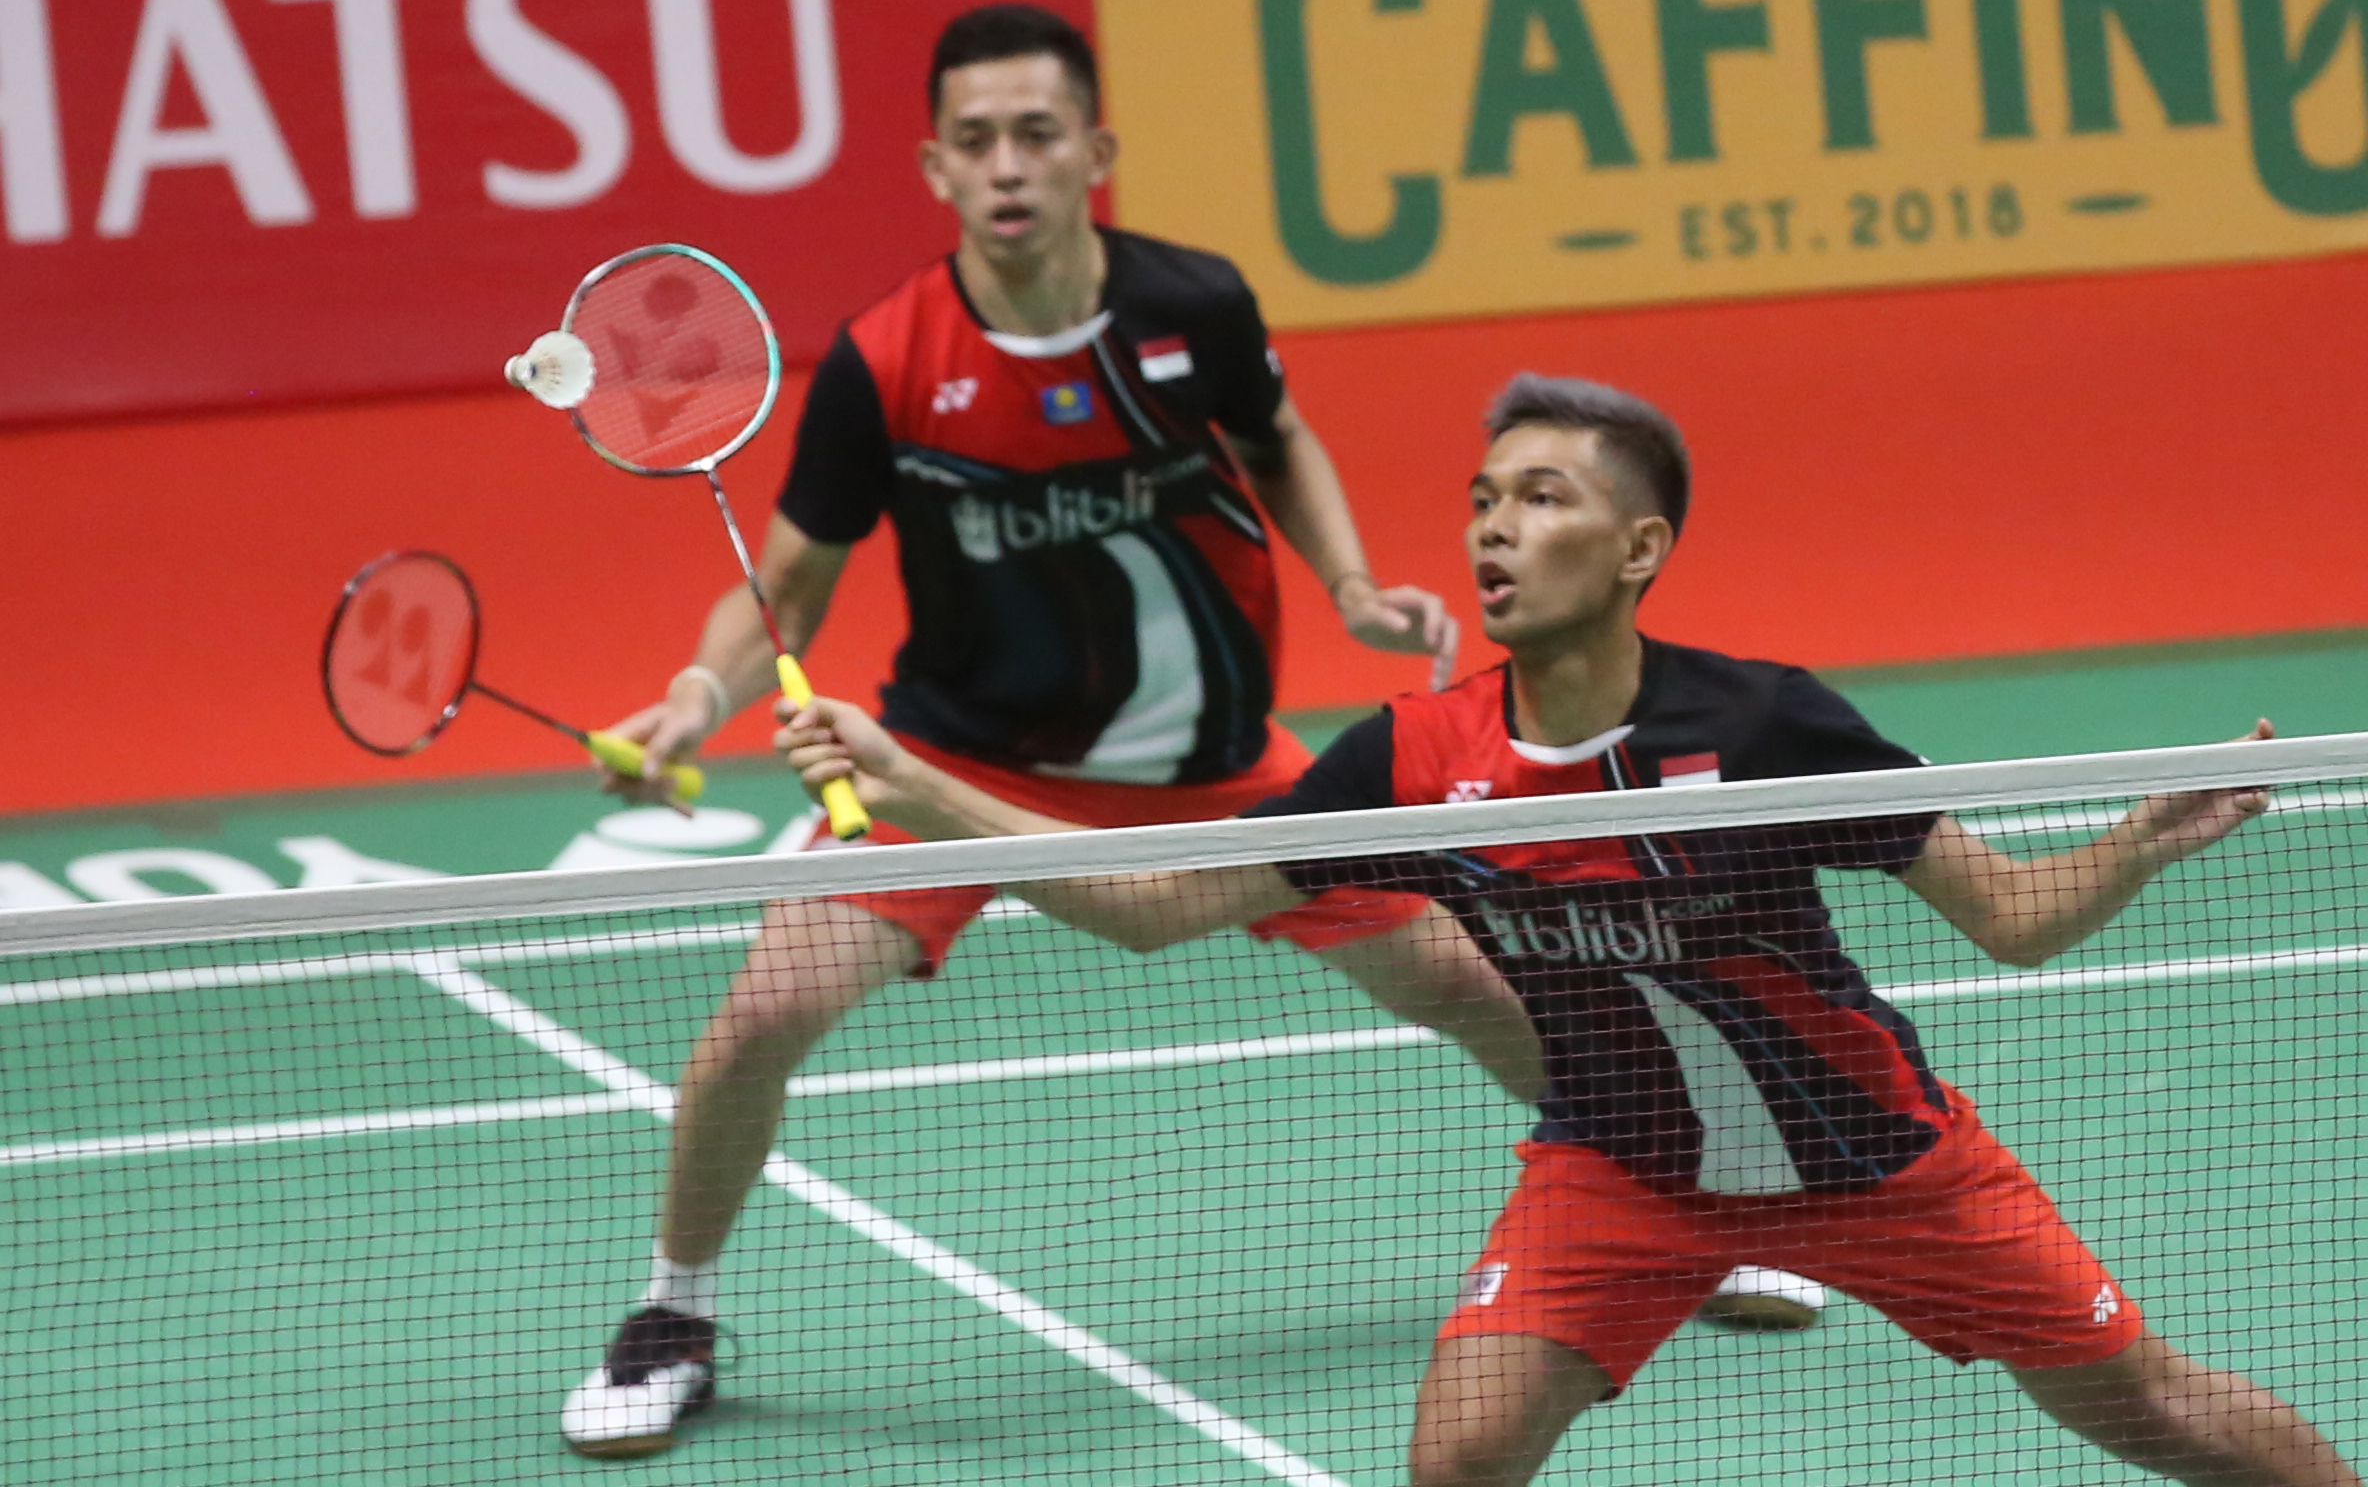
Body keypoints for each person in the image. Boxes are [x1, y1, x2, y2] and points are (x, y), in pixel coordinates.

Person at [781, 375, 2359, 1487]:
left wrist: (2136, 845)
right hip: (1621, 1170)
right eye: (1482, 499)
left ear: (1640, 550)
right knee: (1459, 1455)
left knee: (2162, 1419)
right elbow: (1155, 906)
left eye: (1544, 498)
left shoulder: (1764, 730)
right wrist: (918, 781)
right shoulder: (1412, 760)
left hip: (1879, 1163)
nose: (1493, 528)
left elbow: (2009, 922)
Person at [559, 1, 1502, 1459]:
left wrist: (1355, 584)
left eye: (1039, 135)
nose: (1009, 166)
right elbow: (790, 583)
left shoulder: (1192, 308)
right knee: (757, 1023)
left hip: (1221, 768)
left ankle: (1675, 1205)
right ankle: (673, 1311)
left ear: (1096, 152)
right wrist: (697, 693)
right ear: (935, 167)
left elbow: (1281, 438)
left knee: (1475, 984)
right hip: (955, 768)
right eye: (979, 141)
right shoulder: (887, 359)